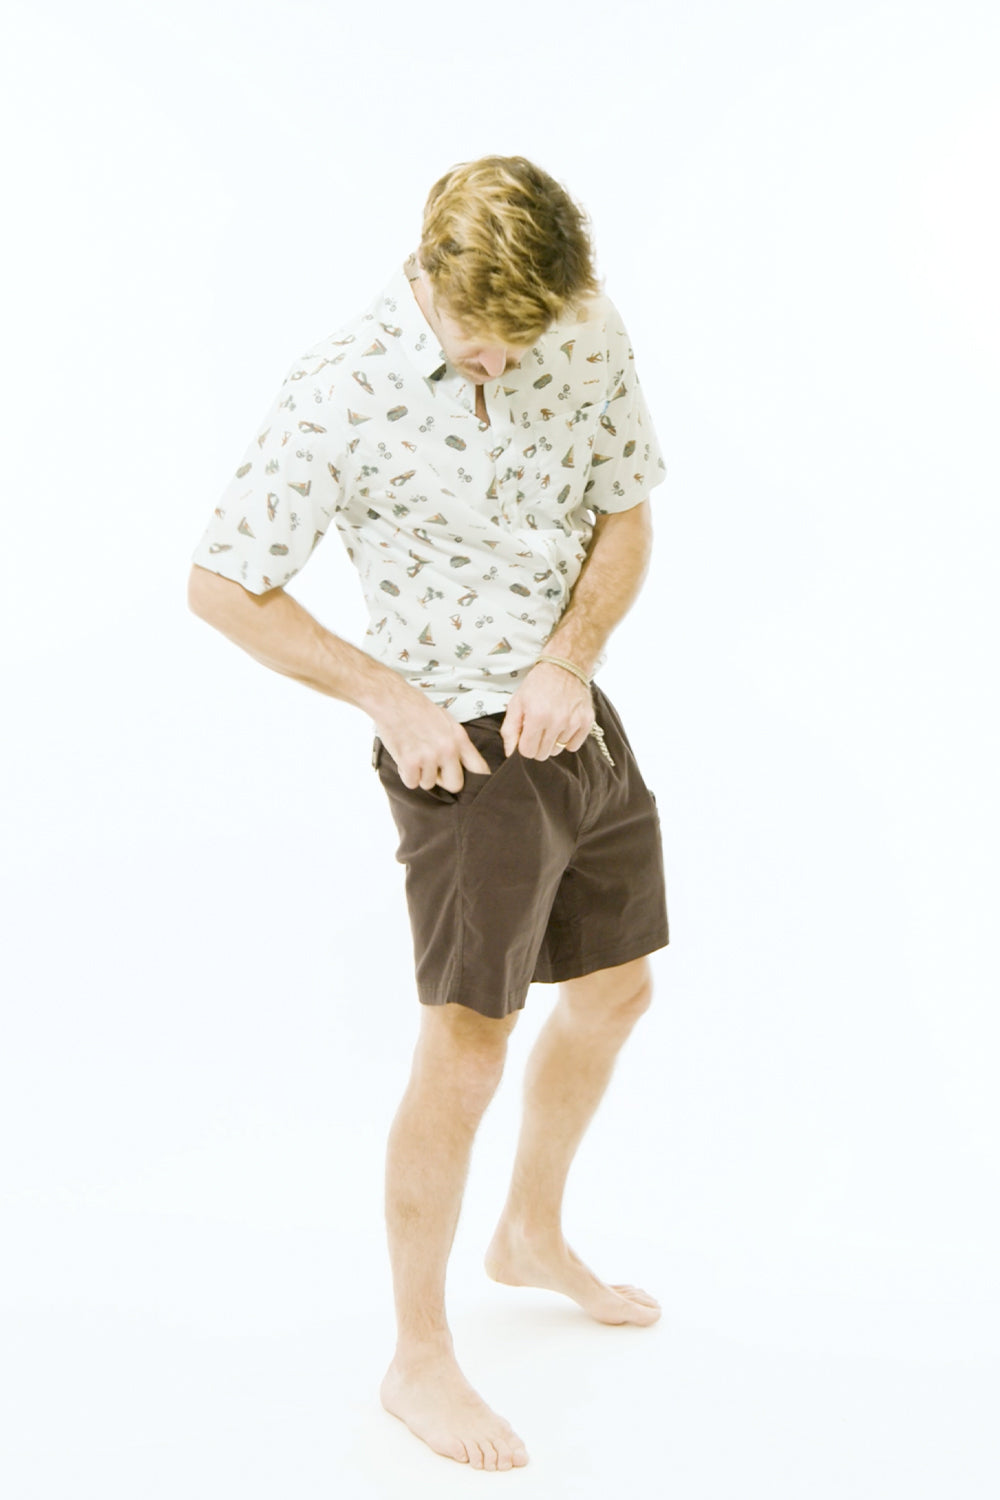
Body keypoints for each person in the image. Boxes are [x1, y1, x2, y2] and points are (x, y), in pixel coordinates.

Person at [188, 155, 669, 1473]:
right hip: (460, 747)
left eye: (526, 341)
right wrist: (390, 700)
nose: (505, 364)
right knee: (467, 1047)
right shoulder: (339, 388)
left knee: (618, 989)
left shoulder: (583, 322)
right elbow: (223, 585)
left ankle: (529, 1234)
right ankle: (416, 1356)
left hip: (574, 711)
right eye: (479, 343)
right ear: (429, 277)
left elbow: (627, 510)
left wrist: (570, 658)